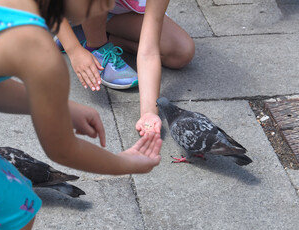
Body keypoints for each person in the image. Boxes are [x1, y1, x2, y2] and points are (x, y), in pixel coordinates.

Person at [0, 0, 162, 230]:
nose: (107, 9)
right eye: (105, 1)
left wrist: (58, 107)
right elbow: (62, 150)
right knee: (16, 206)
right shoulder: (38, 50)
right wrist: (126, 163)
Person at [56, 0, 195, 137]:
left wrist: (149, 112)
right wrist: (74, 50)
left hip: (118, 12)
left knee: (181, 52)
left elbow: (149, 51)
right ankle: (95, 44)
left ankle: (84, 31)